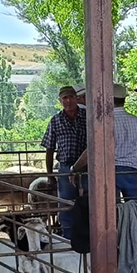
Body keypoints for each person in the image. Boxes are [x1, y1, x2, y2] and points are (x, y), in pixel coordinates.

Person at [71, 83, 137, 202]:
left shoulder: (102, 123)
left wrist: (74, 168)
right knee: (133, 208)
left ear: (107, 99)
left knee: (111, 210)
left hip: (107, 172)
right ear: (124, 100)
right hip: (130, 172)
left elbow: (90, 152)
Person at [41, 85, 88, 239]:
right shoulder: (55, 121)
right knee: (66, 205)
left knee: (89, 203)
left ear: (77, 98)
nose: (68, 101)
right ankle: (68, 239)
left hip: (88, 168)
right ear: (60, 101)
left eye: (71, 97)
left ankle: (90, 240)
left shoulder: (88, 117)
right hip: (66, 167)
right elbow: (49, 148)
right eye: (64, 98)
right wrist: (50, 175)